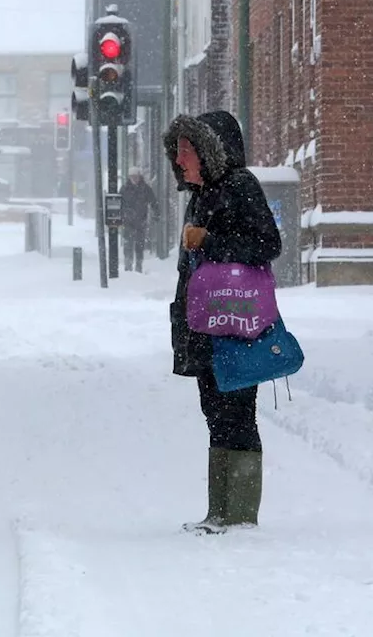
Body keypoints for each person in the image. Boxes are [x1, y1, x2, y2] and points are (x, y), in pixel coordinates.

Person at [163, 110, 281, 534]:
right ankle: (220, 511)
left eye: (185, 149)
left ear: (209, 151)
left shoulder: (239, 187)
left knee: (236, 412)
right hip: (207, 325)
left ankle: (241, 514)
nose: (178, 159)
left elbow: (269, 243)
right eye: (176, 149)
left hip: (235, 322)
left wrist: (211, 241)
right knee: (215, 411)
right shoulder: (203, 194)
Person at [119, 167, 160, 273]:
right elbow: (119, 204)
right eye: (132, 177)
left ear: (139, 176)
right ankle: (128, 265)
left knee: (139, 244)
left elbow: (153, 201)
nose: (134, 179)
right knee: (128, 243)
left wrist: (156, 213)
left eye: (136, 176)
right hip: (127, 221)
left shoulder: (145, 189)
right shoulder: (124, 189)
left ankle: (138, 265)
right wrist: (120, 216)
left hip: (141, 221)